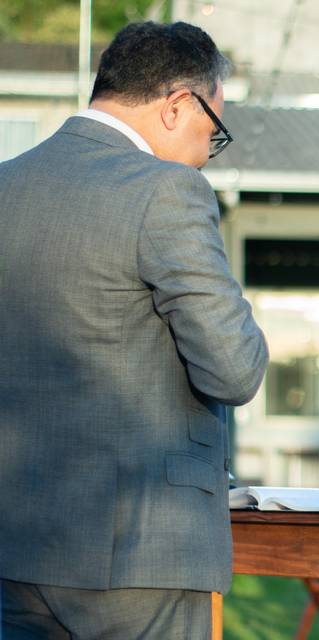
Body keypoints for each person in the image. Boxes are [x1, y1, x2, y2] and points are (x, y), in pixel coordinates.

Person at [0, 22, 269, 639]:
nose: (206, 153)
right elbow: (235, 369)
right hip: (140, 549)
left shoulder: (6, 185)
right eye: (213, 132)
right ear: (178, 106)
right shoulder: (166, 191)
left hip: (16, 545)